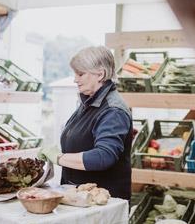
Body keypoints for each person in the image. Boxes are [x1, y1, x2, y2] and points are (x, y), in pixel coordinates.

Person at [38, 46, 132, 200]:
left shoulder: (113, 111)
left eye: (80, 74)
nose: (75, 79)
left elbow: (103, 156)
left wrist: (59, 157)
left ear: (100, 74)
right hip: (81, 197)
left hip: (102, 201)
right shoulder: (89, 102)